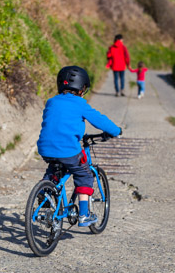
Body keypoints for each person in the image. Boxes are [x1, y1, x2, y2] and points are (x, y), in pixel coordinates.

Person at [37, 66, 122, 227]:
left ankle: (44, 190)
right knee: (84, 175)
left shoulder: (51, 102)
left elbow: (55, 122)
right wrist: (116, 131)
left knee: (55, 169)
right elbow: (99, 120)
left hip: (45, 147)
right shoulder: (80, 104)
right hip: (67, 149)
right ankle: (84, 215)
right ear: (82, 88)